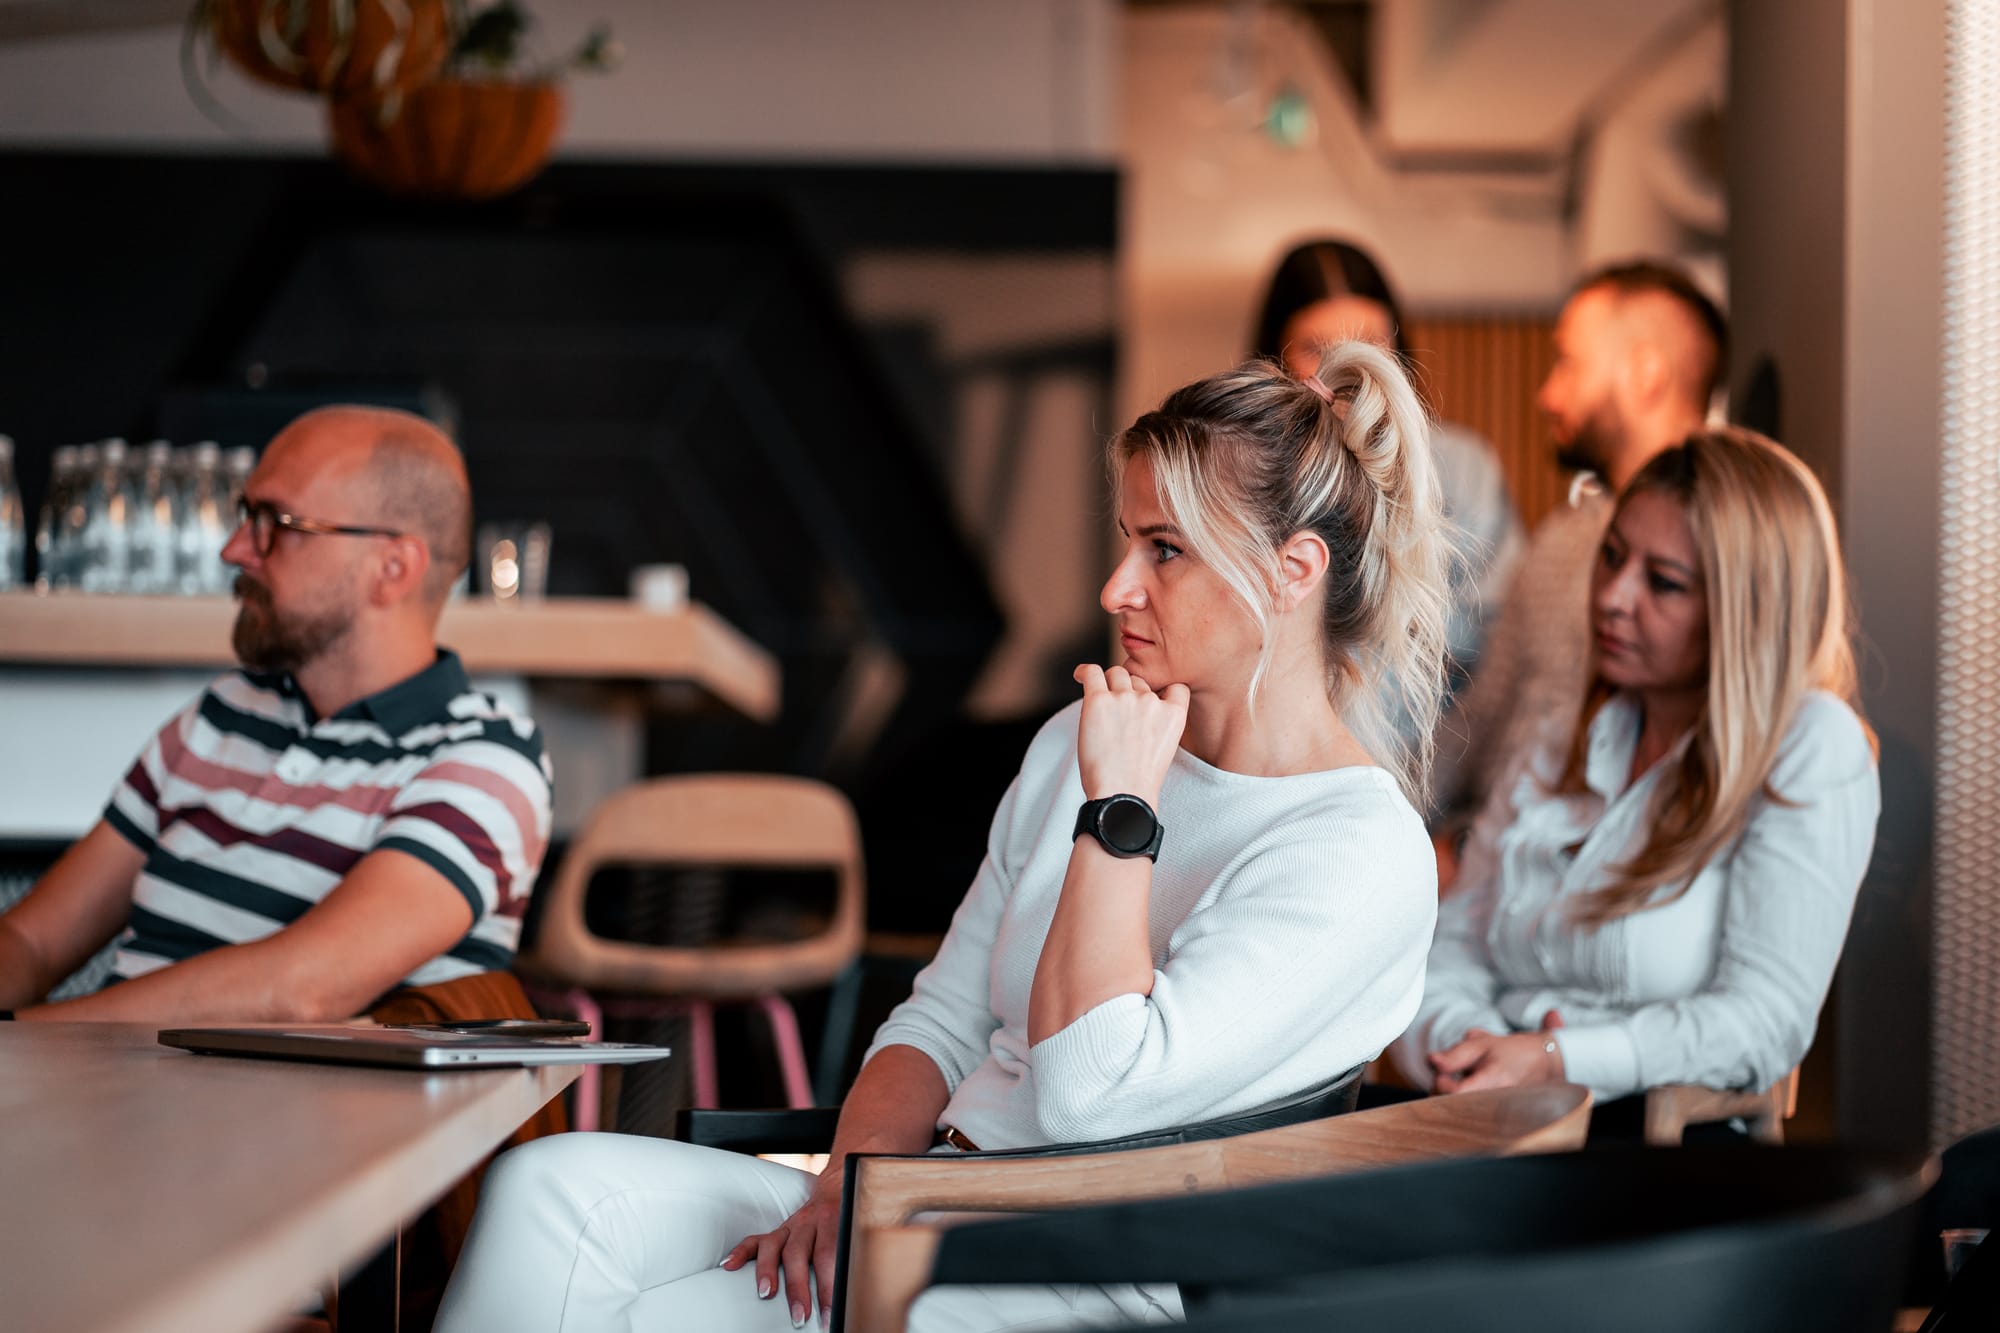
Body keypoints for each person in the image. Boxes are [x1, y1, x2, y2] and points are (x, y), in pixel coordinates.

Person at [433, 342, 1451, 1333]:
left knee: (656, 1318)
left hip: (1074, 1260)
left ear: (1293, 571)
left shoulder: (1354, 850)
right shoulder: (1080, 740)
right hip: (922, 1188)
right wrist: (852, 1182)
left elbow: (1090, 1091)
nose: (1114, 588)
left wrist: (1118, 817)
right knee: (546, 1191)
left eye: (1164, 550)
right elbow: (942, 1015)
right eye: (1127, 539)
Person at [1391, 428, 1879, 1131]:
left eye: (1664, 582)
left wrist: (1562, 1056)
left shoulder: (1809, 742)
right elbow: (1453, 949)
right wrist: (1475, 1050)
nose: (1614, 597)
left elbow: (1764, 1022)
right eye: (1612, 558)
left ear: (1747, 609)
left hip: (1664, 1151)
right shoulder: (1564, 733)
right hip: (1495, 1114)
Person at [0, 406, 552, 1023]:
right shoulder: (222, 713)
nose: (235, 550)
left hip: (292, 1118)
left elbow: (302, 987)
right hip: (102, 1095)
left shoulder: (487, 760)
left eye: (276, 524)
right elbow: (33, 939)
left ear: (392, 569)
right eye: (246, 516)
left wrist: (30, 1042)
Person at [1431, 260, 1729, 838]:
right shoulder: (1560, 541)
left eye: (1568, 362)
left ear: (1645, 373)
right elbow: (1481, 715)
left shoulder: (1732, 547)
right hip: (1487, 858)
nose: (1547, 394)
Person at [1254, 238, 1525, 724]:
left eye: (1372, 344)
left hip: (1436, 766)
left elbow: (1498, 638)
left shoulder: (1462, 471)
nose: (1348, 369)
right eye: (1315, 348)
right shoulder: (1245, 476)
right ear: (1274, 356)